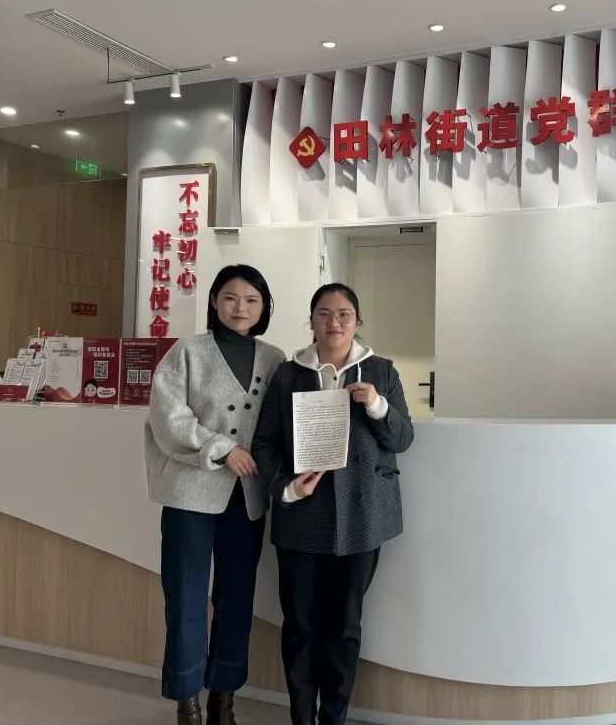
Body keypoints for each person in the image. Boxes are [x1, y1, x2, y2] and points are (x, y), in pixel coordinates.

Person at [253, 283, 414, 725]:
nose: (334, 322)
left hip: (363, 515)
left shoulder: (380, 370)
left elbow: (403, 438)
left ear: (357, 321)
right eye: (324, 313)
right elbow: (265, 442)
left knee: (345, 627)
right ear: (311, 321)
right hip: (302, 515)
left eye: (344, 314)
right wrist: (286, 488)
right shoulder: (288, 374)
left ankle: (334, 719)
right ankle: (302, 718)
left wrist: (377, 405)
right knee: (300, 624)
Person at [145, 264, 286, 725]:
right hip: (190, 493)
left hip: (247, 497)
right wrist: (222, 448)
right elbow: (168, 418)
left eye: (251, 300)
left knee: (237, 596)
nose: (240, 308)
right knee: (185, 594)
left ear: (264, 307)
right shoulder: (187, 351)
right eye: (230, 297)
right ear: (213, 301)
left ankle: (224, 699)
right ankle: (187, 701)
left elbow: (283, 422)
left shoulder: (275, 359)